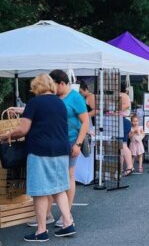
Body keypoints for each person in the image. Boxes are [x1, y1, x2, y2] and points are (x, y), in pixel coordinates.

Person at [0, 74, 76, 241]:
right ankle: (67, 222)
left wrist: (7, 135)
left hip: (41, 150)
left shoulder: (35, 103)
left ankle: (41, 231)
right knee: (59, 188)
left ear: (36, 87)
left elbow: (23, 130)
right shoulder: (60, 103)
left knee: (40, 191)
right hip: (62, 150)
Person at [48, 69, 89, 228]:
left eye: (54, 85)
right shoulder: (54, 96)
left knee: (69, 176)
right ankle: (47, 213)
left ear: (62, 83)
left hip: (71, 142)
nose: (52, 88)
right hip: (55, 143)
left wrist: (78, 144)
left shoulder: (75, 97)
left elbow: (85, 122)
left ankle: (67, 212)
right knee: (53, 176)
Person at [120, 83, 134, 176]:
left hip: (123, 121)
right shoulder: (124, 95)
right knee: (121, 145)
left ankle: (129, 166)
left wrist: (112, 109)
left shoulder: (123, 95)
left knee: (123, 144)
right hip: (124, 120)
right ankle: (122, 167)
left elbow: (126, 106)